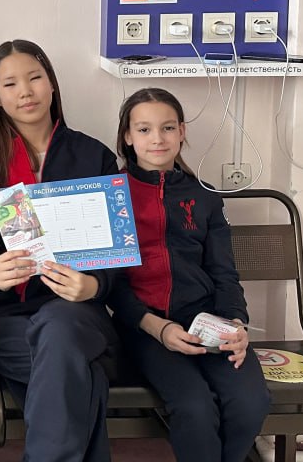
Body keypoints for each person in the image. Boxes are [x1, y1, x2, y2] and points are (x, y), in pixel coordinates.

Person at [0, 40, 120, 462]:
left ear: (51, 83)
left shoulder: (94, 156)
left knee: (60, 331)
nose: (25, 91)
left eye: (34, 77)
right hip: (3, 320)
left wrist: (94, 285)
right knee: (82, 376)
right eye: (10, 84)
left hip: (77, 312)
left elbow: (120, 253)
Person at [107, 88, 270, 462]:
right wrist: (157, 328)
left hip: (207, 322)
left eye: (167, 127)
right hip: (143, 329)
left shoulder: (205, 197)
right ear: (128, 137)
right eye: (144, 129)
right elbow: (112, 285)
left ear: (181, 131)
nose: (157, 138)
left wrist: (235, 324)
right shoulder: (113, 195)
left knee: (250, 402)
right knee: (195, 407)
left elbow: (224, 273)